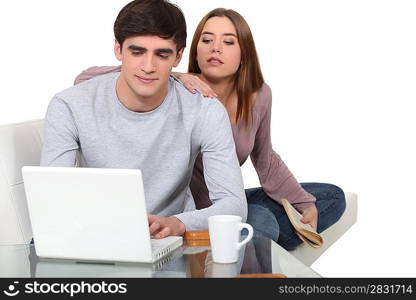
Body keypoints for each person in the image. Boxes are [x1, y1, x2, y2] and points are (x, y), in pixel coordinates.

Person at [75, 7, 346, 250]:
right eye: (206, 40)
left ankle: (261, 241)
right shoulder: (178, 89)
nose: (215, 48)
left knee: (331, 196)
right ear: (191, 51)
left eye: (228, 42)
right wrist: (170, 73)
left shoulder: (259, 95)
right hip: (189, 207)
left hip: (229, 201)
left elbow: (265, 160)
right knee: (263, 221)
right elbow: (85, 79)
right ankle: (257, 241)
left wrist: (303, 203)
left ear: (244, 53)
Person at [40, 0, 248, 240]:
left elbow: (234, 205)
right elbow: (53, 199)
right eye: (137, 52)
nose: (148, 66)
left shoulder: (205, 110)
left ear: (178, 56)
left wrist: (178, 224)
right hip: (95, 236)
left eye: (162, 54)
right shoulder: (69, 105)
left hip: (172, 242)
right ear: (118, 49)